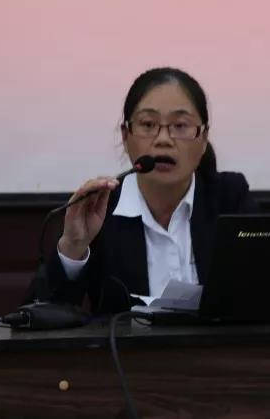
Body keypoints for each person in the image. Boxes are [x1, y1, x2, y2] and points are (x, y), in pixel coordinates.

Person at [46, 67, 258, 312]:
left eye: (180, 125)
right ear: (126, 136)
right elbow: (40, 316)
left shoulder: (229, 199)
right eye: (148, 124)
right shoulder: (100, 211)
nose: (163, 139)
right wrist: (73, 248)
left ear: (203, 139)